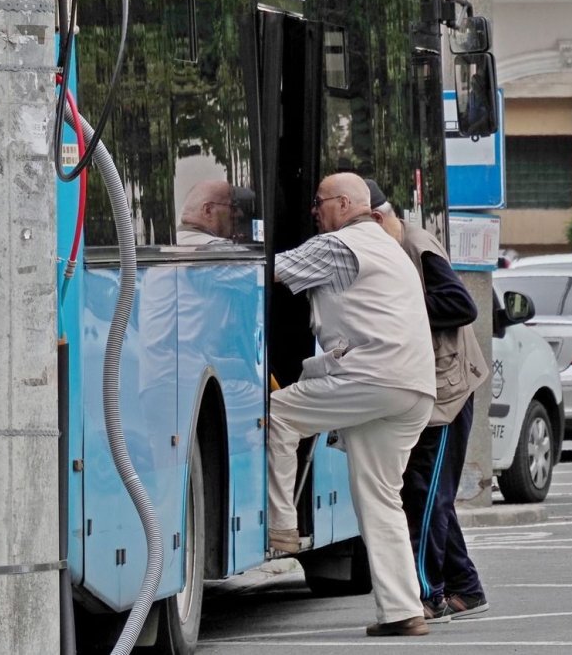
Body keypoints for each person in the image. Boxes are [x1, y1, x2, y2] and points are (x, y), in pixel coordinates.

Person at [268, 172, 437, 637]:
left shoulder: (341, 245)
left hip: (374, 377)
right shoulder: (388, 246)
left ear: (344, 204)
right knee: (381, 499)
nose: (314, 212)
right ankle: (404, 611)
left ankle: (281, 525)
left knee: (279, 414)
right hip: (414, 389)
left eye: (319, 203)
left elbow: (268, 269)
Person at [365, 179, 490, 623]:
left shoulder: (416, 247)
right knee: (426, 492)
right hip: (427, 387)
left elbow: (461, 305)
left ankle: (426, 592)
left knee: (426, 495)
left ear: (377, 219)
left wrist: (401, 304)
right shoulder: (395, 247)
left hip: (446, 394)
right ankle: (466, 587)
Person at [176, 179, 237, 244]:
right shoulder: (222, 248)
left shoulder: (169, 244)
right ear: (208, 211)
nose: (239, 213)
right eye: (232, 207)